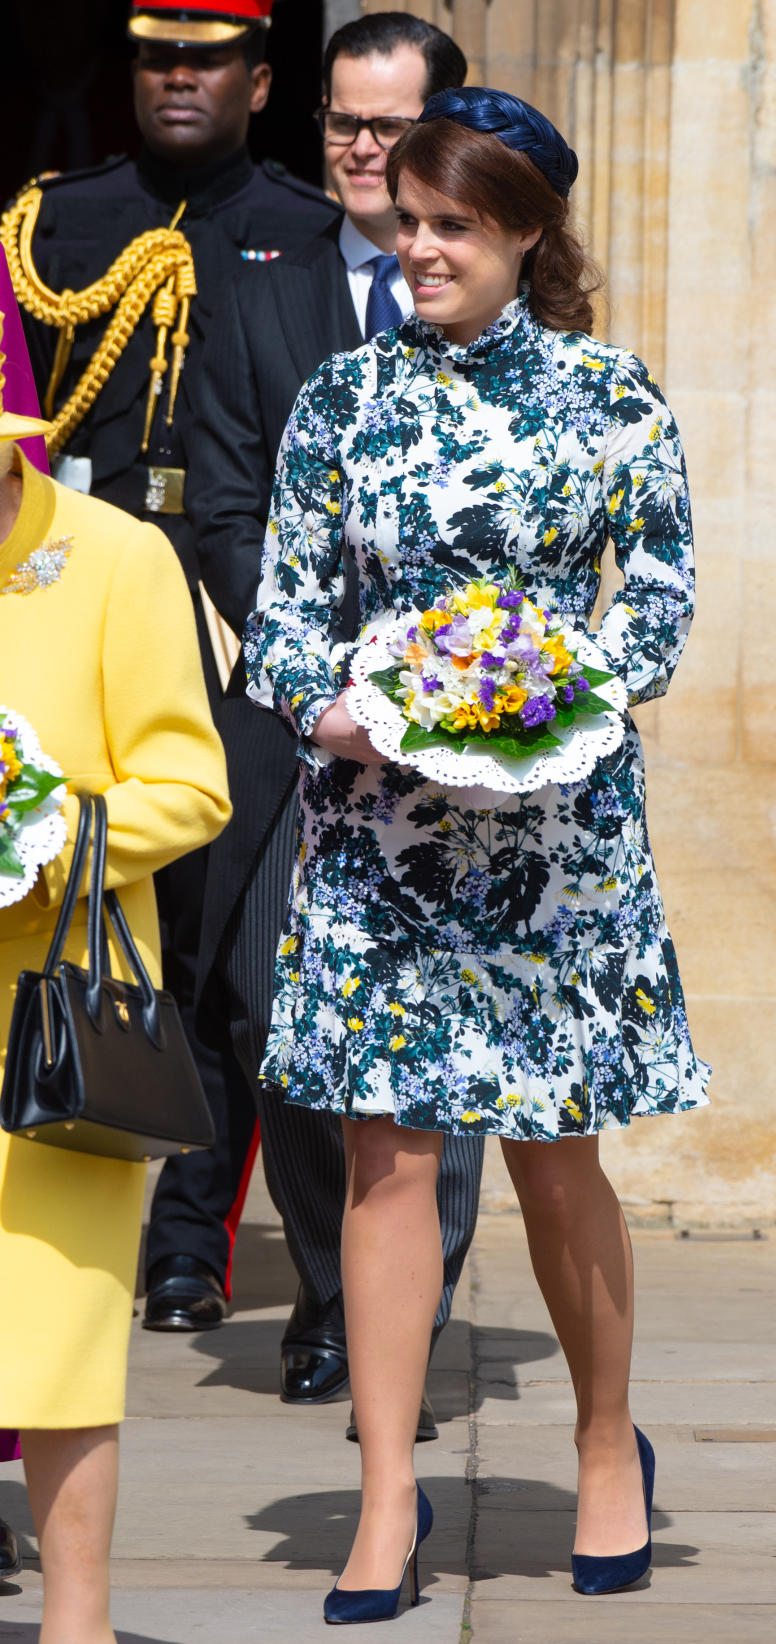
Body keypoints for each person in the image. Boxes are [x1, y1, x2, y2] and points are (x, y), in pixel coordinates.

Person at [246, 87, 712, 1621]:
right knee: (385, 1157)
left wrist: (539, 687)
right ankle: (387, 1492)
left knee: (554, 1156)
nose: (420, 245)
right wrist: (343, 714)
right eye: (409, 220)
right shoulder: (343, 401)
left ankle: (598, 1446)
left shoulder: (611, 396)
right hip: (382, 835)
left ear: (524, 231)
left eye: (455, 224)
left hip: (556, 836)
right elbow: (287, 622)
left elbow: (654, 603)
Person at [2, 0, 341, 1336]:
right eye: (158, 57)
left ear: (261, 81)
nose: (179, 78)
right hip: (76, 590)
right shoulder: (53, 226)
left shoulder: (311, 235)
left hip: (226, 607)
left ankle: (191, 1245)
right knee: (70, 901)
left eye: (207, 59)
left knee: (222, 952)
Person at [189, 12, 480, 1427]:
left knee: (442, 1029)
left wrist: (441, 676)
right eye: (342, 123)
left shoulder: (488, 286)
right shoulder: (257, 281)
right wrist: (328, 669)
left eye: (388, 124)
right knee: (275, 1015)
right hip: (297, 729)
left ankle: (399, 1327)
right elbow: (228, 504)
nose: (360, 150)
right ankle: (328, 1294)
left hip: (467, 745)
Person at [0, 259, 230, 1643]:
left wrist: (41, 831)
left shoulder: (115, 556)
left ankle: (78, 1620)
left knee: (60, 1330)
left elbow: (189, 786)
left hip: (56, 1007)